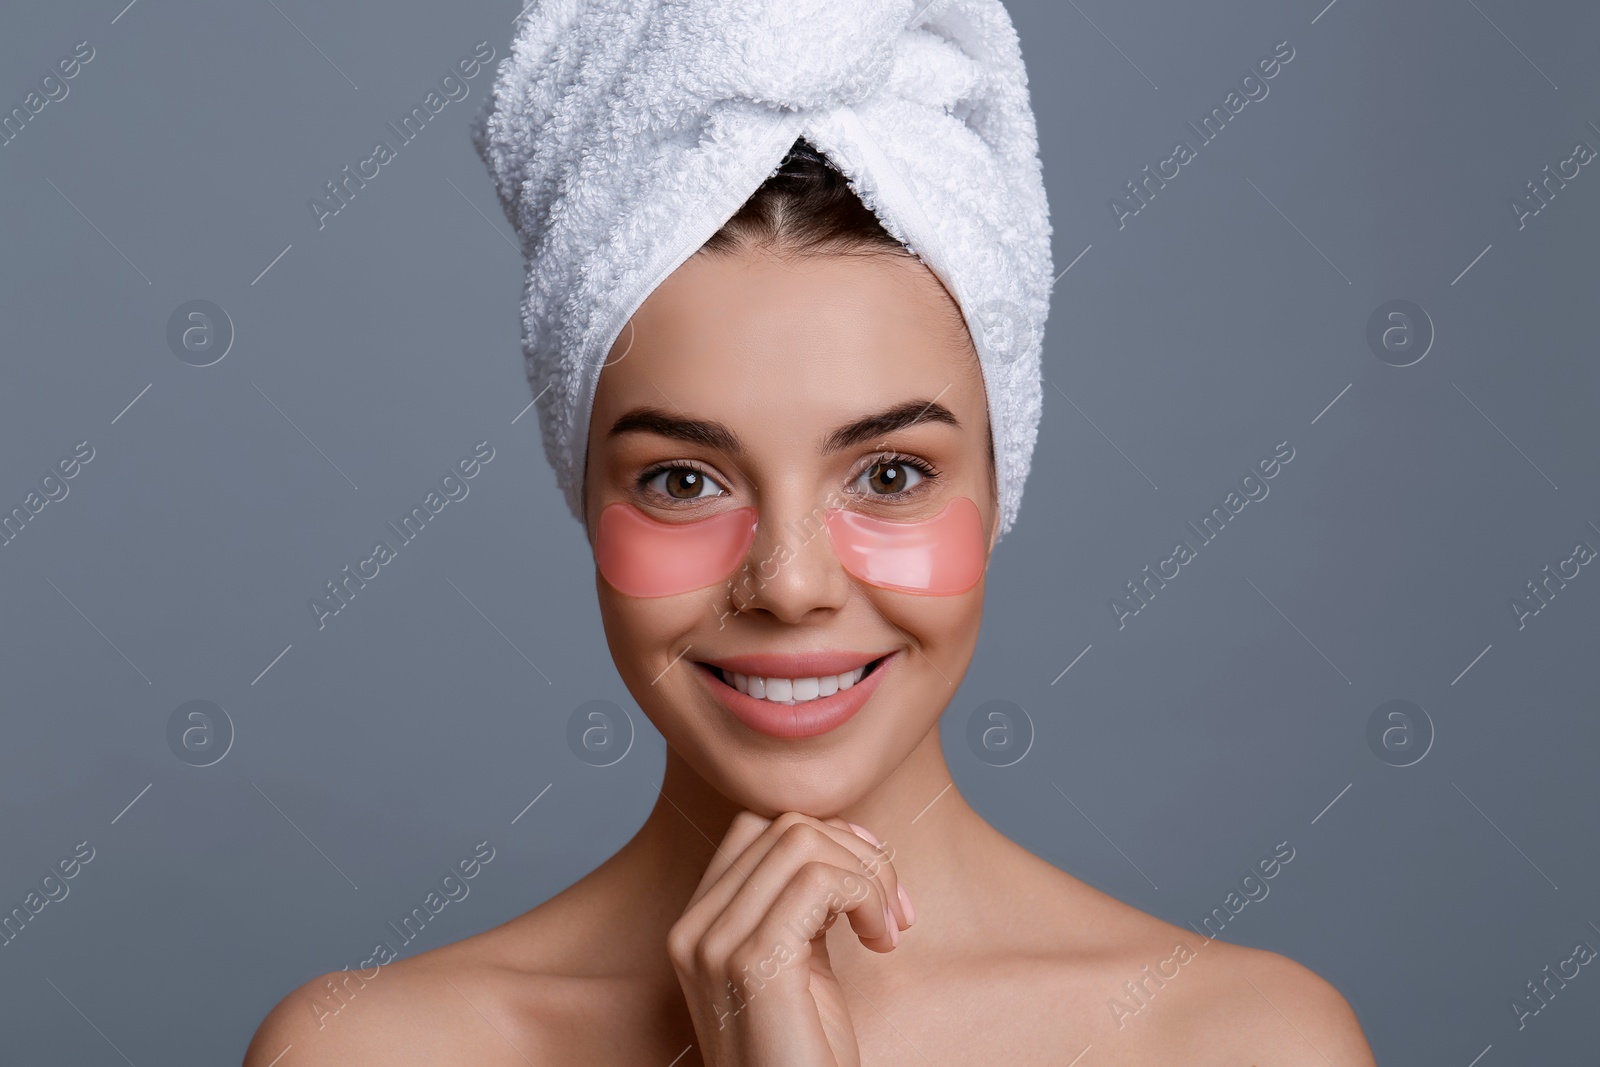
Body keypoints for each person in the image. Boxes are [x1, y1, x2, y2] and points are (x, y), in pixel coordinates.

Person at [246, 3, 1378, 1063]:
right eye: (684, 479)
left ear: (1000, 480)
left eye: (889, 473)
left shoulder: (1238, 1039)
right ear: (585, 493)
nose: (788, 584)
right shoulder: (369, 1047)